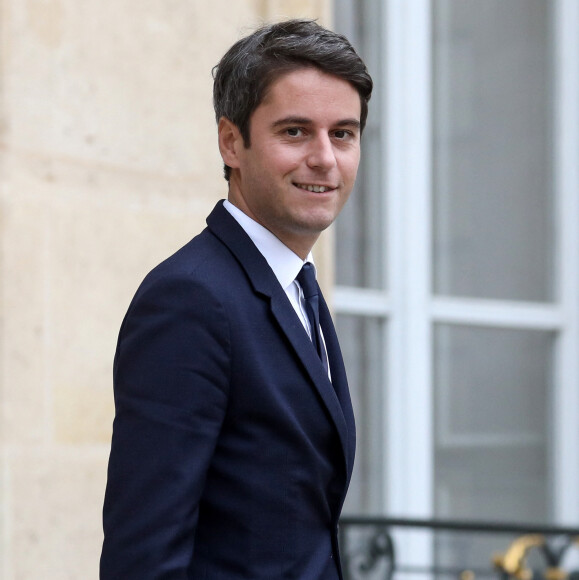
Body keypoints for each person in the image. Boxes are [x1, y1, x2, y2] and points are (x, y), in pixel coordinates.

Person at [100, 18, 373, 579]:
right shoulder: (190, 299)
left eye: (342, 133)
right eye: (295, 132)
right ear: (232, 141)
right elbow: (143, 557)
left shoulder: (296, 287)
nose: (325, 158)